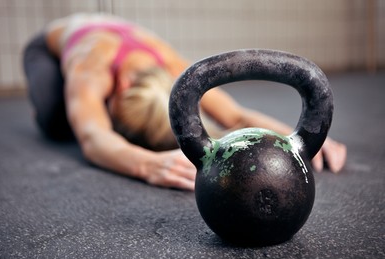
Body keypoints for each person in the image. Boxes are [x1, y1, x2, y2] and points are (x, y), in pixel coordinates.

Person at [23, 13, 347, 191]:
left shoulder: (177, 70)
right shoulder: (90, 70)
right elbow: (94, 140)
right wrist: (147, 164)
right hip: (47, 47)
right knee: (59, 120)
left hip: (119, 42)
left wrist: (306, 134)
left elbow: (234, 116)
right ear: (118, 87)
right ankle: (52, 106)